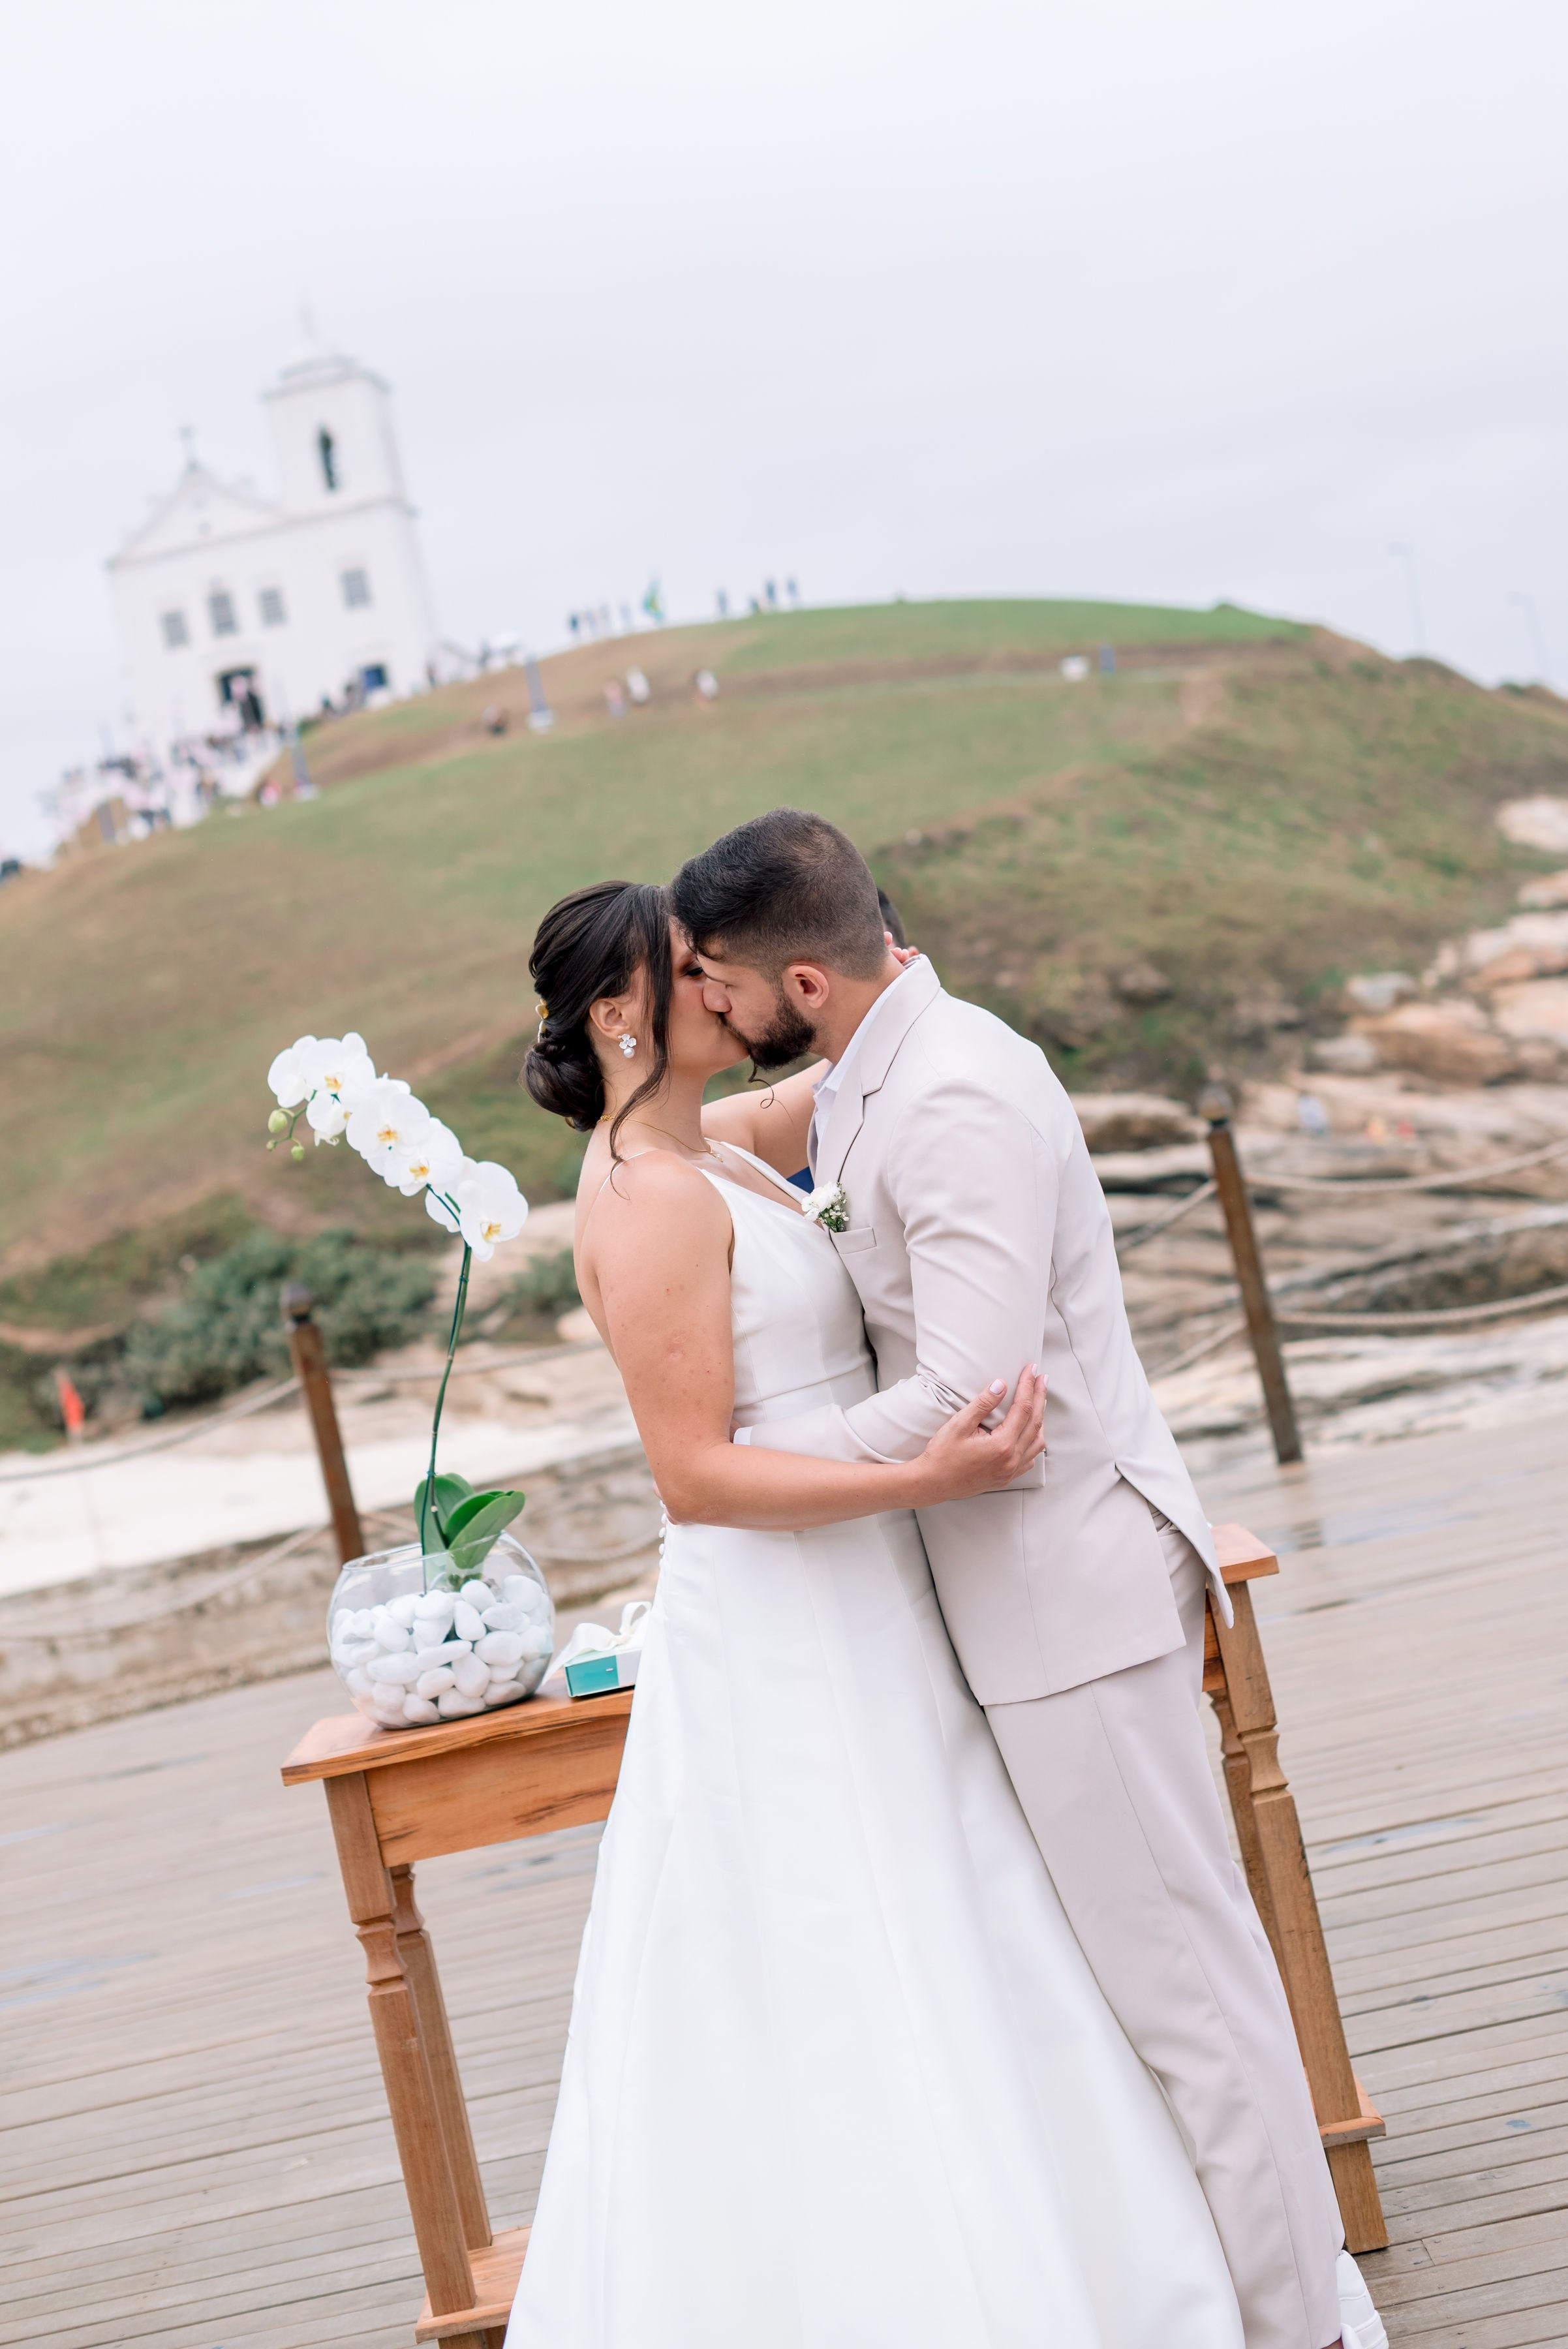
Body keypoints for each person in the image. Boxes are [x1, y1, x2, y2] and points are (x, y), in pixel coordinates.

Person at [667, 809, 1385, 2349]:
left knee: (1187, 1987)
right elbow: (783, 1125)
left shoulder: (958, 1095)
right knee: (1147, 1982)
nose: (706, 1011)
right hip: (1003, 1599)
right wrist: (644, 1131)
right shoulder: (874, 1061)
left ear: (801, 974)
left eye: (715, 984)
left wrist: (756, 1470)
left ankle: (1298, 2329)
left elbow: (970, 1399)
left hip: (1068, 1590)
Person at [505, 877, 1246, 2348]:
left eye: (723, 969)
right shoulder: (643, 1200)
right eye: (688, 974)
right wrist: (921, 1468)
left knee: (972, 1912)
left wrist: (878, 965)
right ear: (616, 1015)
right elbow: (696, 1478)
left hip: (879, 1596)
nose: (722, 992)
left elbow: (874, 1071)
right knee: (854, 1940)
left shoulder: (702, 1145)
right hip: (790, 1623)